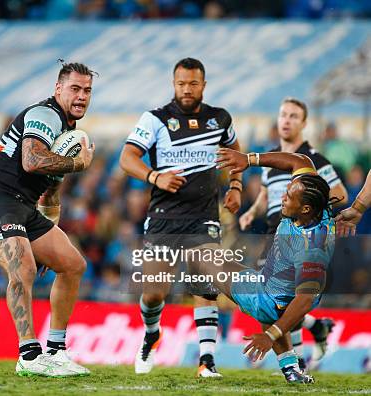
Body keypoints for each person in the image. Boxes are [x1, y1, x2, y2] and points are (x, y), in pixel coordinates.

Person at [119, 58, 243, 377]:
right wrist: (154, 177)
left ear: (203, 85)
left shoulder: (220, 119)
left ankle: (207, 361)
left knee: (205, 286)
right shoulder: (156, 118)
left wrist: (236, 186)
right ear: (173, 84)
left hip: (204, 218)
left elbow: (236, 153)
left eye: (193, 84)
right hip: (164, 218)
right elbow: (127, 157)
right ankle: (151, 334)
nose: (186, 90)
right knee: (154, 293)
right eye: (181, 83)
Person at [0, 61, 95, 377]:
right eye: (74, 89)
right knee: (23, 269)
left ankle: (55, 351)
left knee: (73, 264)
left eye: (87, 90)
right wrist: (78, 165)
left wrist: (47, 237)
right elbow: (31, 161)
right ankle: (29, 355)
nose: (81, 96)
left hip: (25, 205)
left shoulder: (68, 130)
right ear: (58, 89)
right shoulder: (45, 115)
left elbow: (52, 192)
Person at [204, 147, 338, 383]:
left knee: (201, 258)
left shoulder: (312, 247)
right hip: (284, 278)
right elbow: (300, 160)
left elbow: (304, 299)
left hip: (284, 295)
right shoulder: (314, 197)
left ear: (305, 208)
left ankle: (205, 357)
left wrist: (270, 334)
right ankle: (295, 364)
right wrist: (249, 159)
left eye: (288, 197)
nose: (282, 198)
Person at [238, 98, 347, 369]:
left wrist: (313, 205)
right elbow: (266, 193)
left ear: (304, 123)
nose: (286, 120)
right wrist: (252, 211)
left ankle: (294, 357)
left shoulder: (315, 159)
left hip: (298, 235)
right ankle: (312, 330)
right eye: (283, 114)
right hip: (274, 232)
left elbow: (340, 193)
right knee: (275, 301)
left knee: (279, 300)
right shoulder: (272, 157)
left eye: (294, 116)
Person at [335, 170, 371, 236]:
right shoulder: (345, 195)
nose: (355, 178)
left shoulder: (344, 196)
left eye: (357, 177)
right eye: (353, 176)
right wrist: (357, 209)